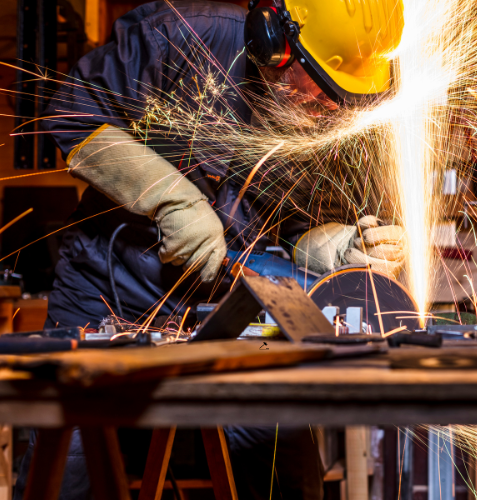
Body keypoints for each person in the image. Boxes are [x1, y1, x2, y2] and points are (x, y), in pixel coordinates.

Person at [13, 1, 406, 499]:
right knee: (65, 466)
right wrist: (167, 198)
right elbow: (71, 112)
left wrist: (330, 247)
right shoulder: (185, 38)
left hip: (234, 311)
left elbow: (287, 227)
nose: (334, 110)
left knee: (280, 462)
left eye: (347, 100)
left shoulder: (333, 114)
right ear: (276, 45)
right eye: (324, 89)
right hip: (110, 291)